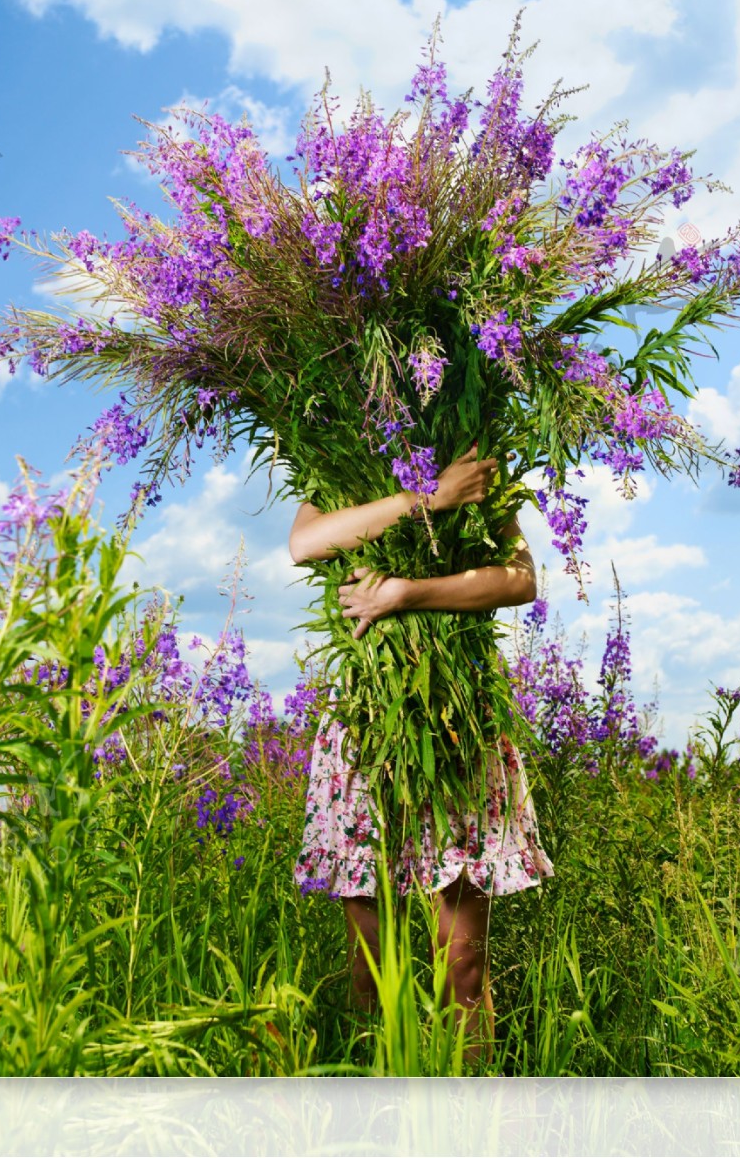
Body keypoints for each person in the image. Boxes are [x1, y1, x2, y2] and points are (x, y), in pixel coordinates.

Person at [288, 446, 556, 1058]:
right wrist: (430, 500)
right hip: (365, 723)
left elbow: (520, 580)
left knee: (461, 968)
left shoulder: (471, 445)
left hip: (457, 720)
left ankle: (472, 1128)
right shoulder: (334, 453)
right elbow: (306, 543)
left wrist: (406, 594)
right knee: (371, 970)